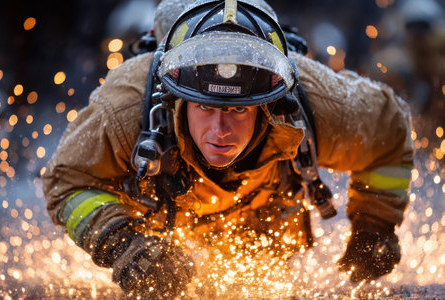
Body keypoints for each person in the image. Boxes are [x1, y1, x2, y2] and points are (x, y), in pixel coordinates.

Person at [42, 0, 414, 298]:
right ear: (176, 97)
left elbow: (393, 129)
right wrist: (123, 242)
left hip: (261, 217)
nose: (221, 130)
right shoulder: (124, 108)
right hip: (161, 218)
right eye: (204, 106)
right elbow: (66, 181)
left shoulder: (322, 104)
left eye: (238, 109)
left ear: (267, 104)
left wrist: (375, 224)